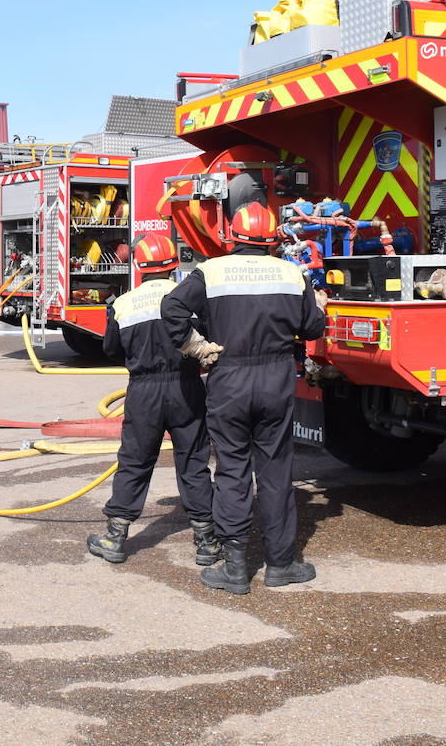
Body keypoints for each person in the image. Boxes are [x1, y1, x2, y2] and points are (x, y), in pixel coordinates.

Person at [160, 202, 327, 594]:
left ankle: (235, 567)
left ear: (232, 237)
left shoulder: (211, 271)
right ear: (273, 239)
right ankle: (281, 565)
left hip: (229, 375)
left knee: (233, 468)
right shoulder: (292, 273)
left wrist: (195, 346)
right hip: (276, 377)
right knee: (275, 469)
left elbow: (172, 308)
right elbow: (311, 327)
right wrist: (318, 306)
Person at [86, 233, 226, 566]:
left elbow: (110, 350)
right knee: (193, 461)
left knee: (134, 461)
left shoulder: (123, 303)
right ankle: (206, 542)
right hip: (186, 387)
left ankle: (115, 536)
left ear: (139, 265)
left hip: (144, 392)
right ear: (173, 264)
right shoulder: (189, 300)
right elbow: (208, 338)